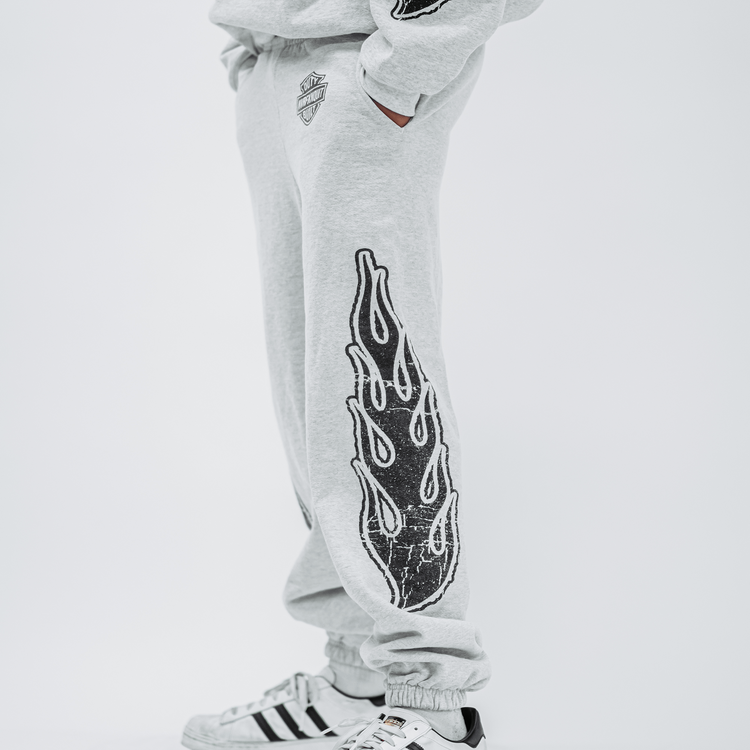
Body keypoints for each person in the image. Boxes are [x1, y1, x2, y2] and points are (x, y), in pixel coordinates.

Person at [182, 1, 544, 749]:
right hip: (279, 61)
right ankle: (359, 678)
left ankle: (428, 693)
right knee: (314, 389)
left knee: (379, 367)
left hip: (363, 67)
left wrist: (404, 67)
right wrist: (252, 49)